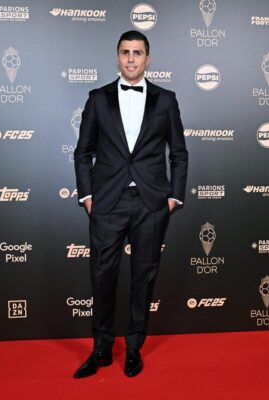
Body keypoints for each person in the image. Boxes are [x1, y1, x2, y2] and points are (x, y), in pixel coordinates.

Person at [73, 30, 188, 378]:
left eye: (138, 53)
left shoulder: (166, 100)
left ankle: (134, 348)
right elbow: (83, 153)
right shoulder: (98, 99)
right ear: (118, 56)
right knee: (102, 276)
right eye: (125, 52)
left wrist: (173, 196)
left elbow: (179, 153)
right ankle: (102, 349)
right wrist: (87, 196)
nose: (132, 59)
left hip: (152, 203)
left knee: (143, 278)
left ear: (147, 59)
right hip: (108, 203)